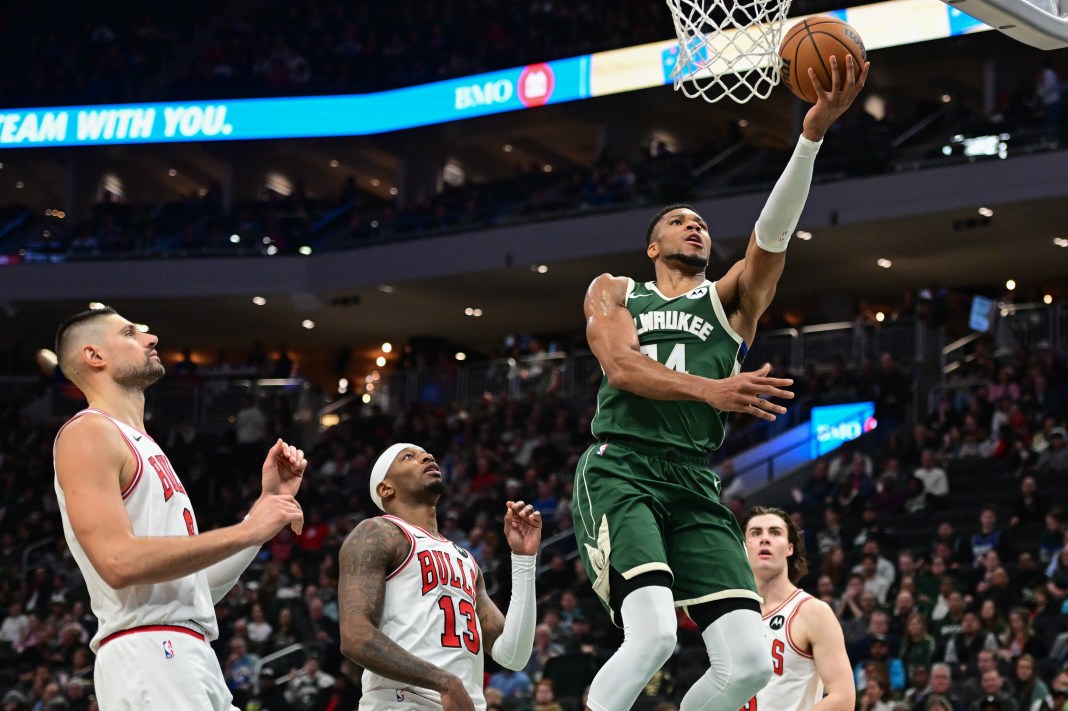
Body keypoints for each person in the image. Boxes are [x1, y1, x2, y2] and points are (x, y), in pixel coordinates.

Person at [574, 54, 869, 711]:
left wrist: (811, 134)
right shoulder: (616, 290)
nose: (696, 226)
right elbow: (620, 367)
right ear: (653, 246)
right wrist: (711, 391)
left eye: (702, 224)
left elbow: (773, 235)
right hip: (622, 466)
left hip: (693, 477)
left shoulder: (730, 300)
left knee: (748, 665)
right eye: (679, 221)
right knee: (652, 635)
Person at [51, 306, 308, 710]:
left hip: (188, 652)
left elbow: (196, 589)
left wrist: (263, 511)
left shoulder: (144, 444)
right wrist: (248, 530)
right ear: (94, 355)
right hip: (150, 652)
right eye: (130, 333)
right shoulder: (88, 432)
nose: (151, 338)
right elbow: (117, 561)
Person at [339, 443, 541, 710]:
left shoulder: (466, 560)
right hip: (401, 703)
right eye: (408, 457)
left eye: (426, 454)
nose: (427, 456)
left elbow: (513, 655)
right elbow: (355, 636)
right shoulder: (377, 532)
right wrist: (443, 682)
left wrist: (524, 559)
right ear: (386, 488)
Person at [741, 507, 855, 711]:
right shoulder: (733, 615)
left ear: (789, 548)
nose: (764, 539)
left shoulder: (812, 612)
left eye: (775, 533)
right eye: (756, 533)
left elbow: (843, 699)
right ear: (743, 547)